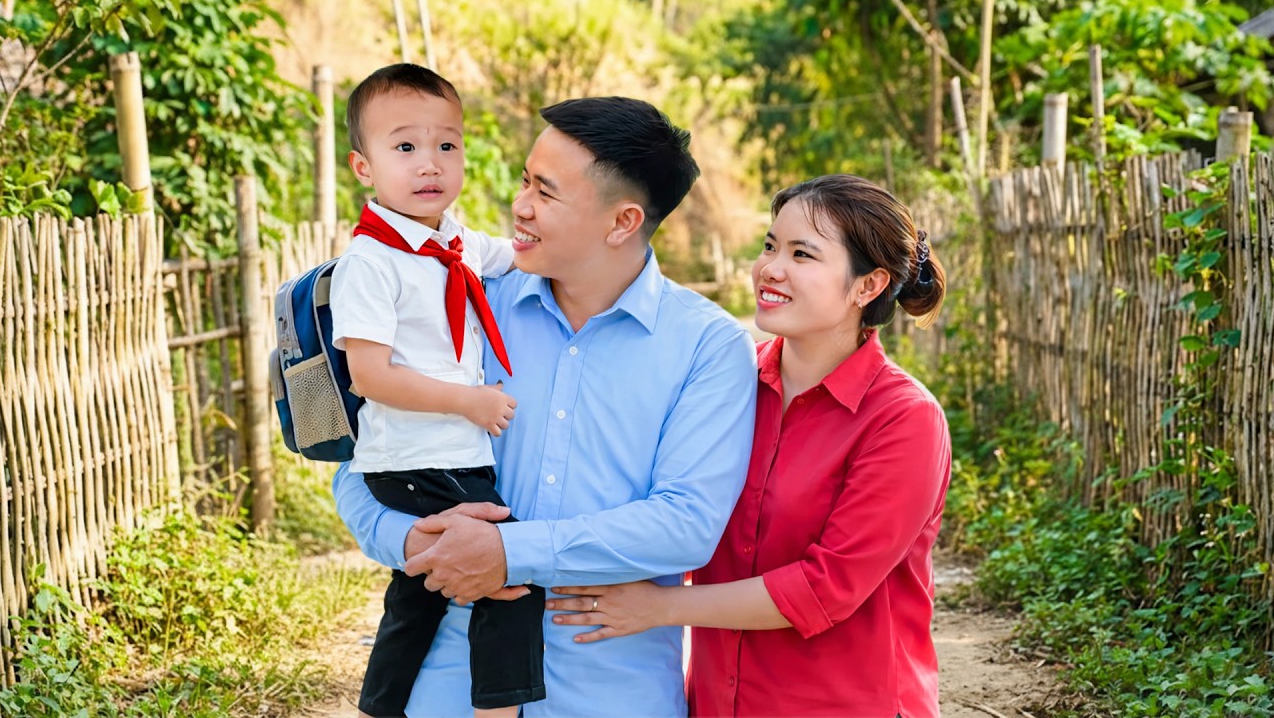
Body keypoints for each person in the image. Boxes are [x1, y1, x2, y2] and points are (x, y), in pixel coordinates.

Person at [333, 95, 760, 718]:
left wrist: (510, 553)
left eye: (546, 191)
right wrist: (412, 541)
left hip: (610, 692)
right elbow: (361, 466)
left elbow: (686, 524)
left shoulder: (708, 346)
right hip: (448, 682)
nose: (520, 205)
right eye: (524, 181)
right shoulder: (465, 300)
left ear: (622, 222)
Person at [548, 174, 953, 718]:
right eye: (770, 246)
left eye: (802, 254)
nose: (770, 269)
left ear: (868, 286)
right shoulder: (726, 381)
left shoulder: (904, 419)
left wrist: (660, 607)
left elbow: (827, 587)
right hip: (717, 702)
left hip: (847, 703)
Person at [329, 63, 538, 718]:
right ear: (364, 168)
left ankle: (380, 707)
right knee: (510, 572)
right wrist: (469, 402)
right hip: (416, 458)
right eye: (405, 146)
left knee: (416, 595)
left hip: (447, 455)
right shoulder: (370, 262)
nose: (430, 163)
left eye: (447, 144)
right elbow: (369, 375)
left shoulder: (456, 242)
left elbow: (521, 256)